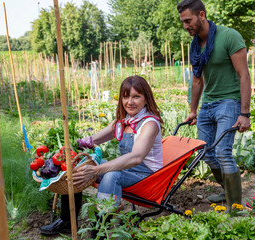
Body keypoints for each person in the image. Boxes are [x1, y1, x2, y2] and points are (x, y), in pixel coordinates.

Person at [40, 75, 163, 236]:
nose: (130, 102)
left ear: (146, 99)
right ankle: (66, 221)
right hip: (129, 170)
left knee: (112, 175)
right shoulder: (125, 120)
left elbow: (136, 157)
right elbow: (96, 138)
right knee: (80, 167)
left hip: (147, 177)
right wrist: (79, 144)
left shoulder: (149, 124)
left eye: (136, 97)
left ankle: (98, 233)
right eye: (126, 97)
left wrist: (97, 170)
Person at [177, 0, 251, 210]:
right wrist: (193, 110)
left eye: (188, 20)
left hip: (229, 102)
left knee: (222, 152)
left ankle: (235, 208)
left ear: (202, 15)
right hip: (208, 105)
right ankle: (227, 191)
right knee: (206, 152)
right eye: (183, 22)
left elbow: (244, 75)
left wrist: (244, 113)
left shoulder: (229, 36)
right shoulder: (195, 45)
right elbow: (197, 79)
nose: (185, 26)